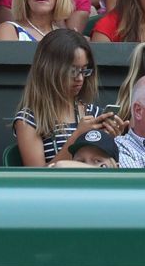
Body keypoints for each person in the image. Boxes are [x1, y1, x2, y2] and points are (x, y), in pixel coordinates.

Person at [14, 28, 120, 165]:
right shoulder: (29, 119)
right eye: (73, 71)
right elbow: (39, 178)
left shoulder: (94, 113)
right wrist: (77, 136)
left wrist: (113, 139)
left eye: (84, 70)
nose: (80, 78)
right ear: (49, 70)